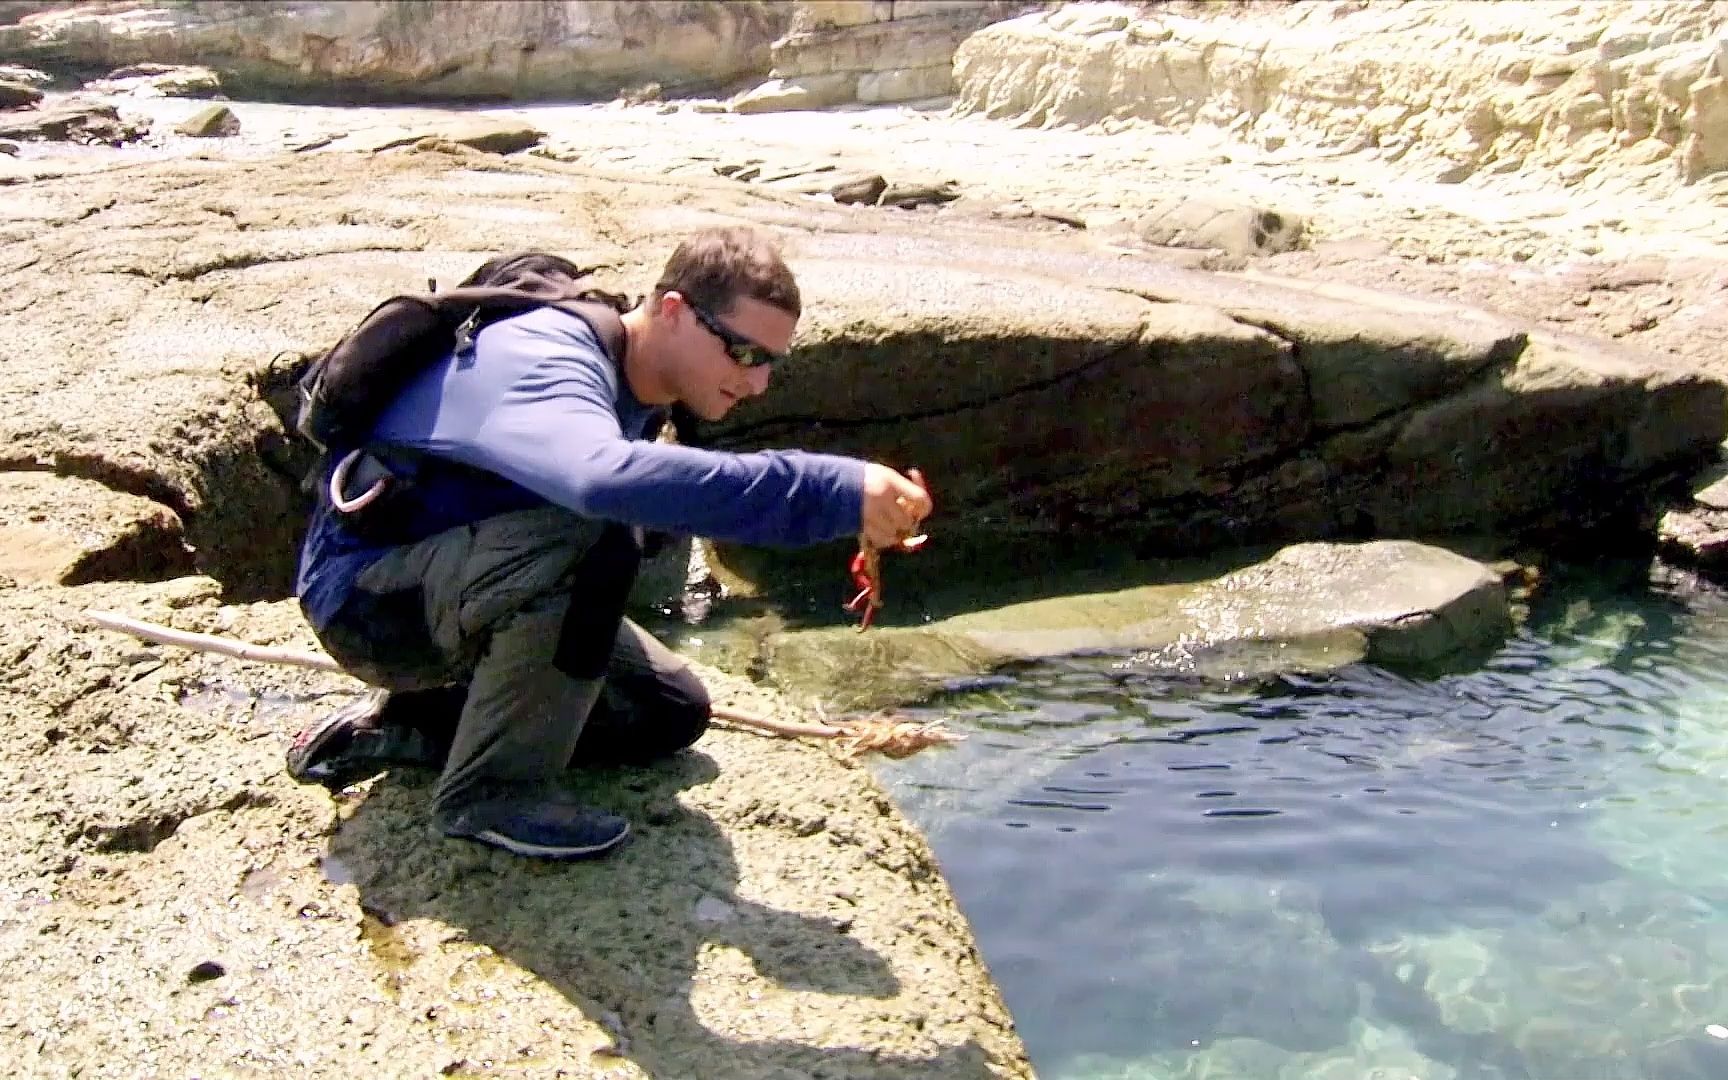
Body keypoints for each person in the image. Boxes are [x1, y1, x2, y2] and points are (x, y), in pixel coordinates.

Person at [285, 226, 931, 861]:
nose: (757, 382)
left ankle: (403, 727)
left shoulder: (643, 375)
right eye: (744, 352)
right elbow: (598, 480)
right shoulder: (550, 357)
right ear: (674, 312)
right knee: (596, 531)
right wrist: (835, 492)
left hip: (453, 577)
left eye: (771, 363)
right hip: (367, 597)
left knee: (671, 711)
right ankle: (491, 795)